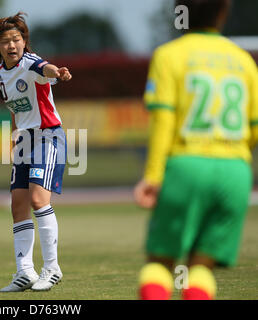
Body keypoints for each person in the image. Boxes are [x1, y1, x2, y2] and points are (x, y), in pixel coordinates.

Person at [134, 0, 258, 300]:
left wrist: (153, 175)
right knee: (201, 267)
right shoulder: (244, 60)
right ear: (224, 12)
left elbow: (164, 120)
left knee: (161, 265)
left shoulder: (169, 55)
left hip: (186, 166)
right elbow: (253, 127)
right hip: (235, 170)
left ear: (179, 12)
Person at [0, 12, 72, 292]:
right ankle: (25, 271)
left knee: (38, 200)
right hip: (25, 140)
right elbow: (14, 108)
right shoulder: (0, 74)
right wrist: (15, 137)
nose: (12, 45)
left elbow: (46, 68)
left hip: (48, 135)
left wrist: (57, 72)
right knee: (18, 205)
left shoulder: (31, 62)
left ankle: (52, 268)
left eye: (17, 39)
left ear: (25, 42)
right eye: (5, 41)